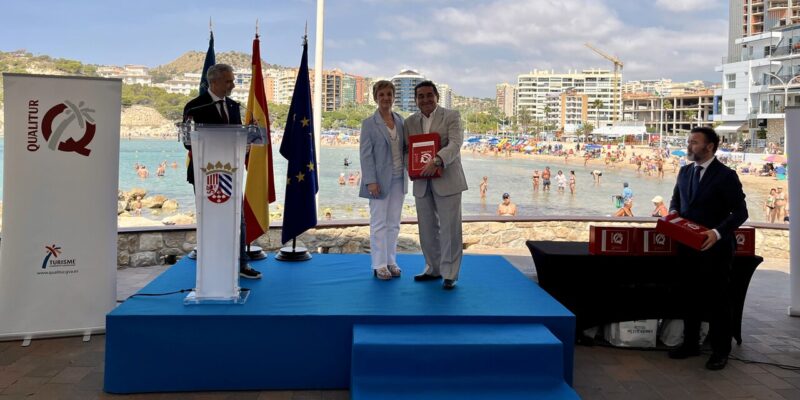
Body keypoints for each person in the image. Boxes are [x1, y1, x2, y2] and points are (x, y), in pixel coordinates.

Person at [667, 127, 748, 371]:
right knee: (690, 296)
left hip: (716, 249)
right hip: (686, 247)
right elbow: (676, 201)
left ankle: (720, 351)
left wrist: (717, 232)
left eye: (694, 142)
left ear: (710, 146)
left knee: (717, 300)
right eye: (689, 141)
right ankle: (691, 344)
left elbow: (741, 212)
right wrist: (672, 214)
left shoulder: (726, 175)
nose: (689, 146)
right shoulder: (684, 171)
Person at [183, 63, 261, 280]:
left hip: (230, 171)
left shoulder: (235, 107)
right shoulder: (194, 107)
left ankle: (242, 264)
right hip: (204, 172)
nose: (233, 85)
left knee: (239, 219)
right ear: (214, 81)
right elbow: (188, 144)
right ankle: (211, 264)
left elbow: (236, 137)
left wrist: (247, 139)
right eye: (229, 81)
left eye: (233, 81)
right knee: (209, 218)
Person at [404, 81, 468, 290]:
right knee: (427, 229)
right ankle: (432, 268)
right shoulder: (409, 122)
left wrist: (438, 160)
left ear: (437, 96)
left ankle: (449, 274)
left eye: (429, 95)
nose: (425, 99)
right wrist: (412, 167)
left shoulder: (451, 116)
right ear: (416, 100)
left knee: (450, 229)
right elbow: (406, 150)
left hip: (448, 180)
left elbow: (456, 143)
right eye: (420, 96)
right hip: (422, 182)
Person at [359, 80, 408, 280]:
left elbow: (406, 149)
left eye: (389, 94)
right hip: (378, 181)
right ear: (375, 98)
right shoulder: (369, 124)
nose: (386, 98)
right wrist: (370, 180)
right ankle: (379, 264)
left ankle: (391, 261)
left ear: (393, 97)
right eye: (382, 95)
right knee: (379, 222)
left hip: (399, 179)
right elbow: (365, 154)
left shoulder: (401, 121)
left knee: (394, 223)